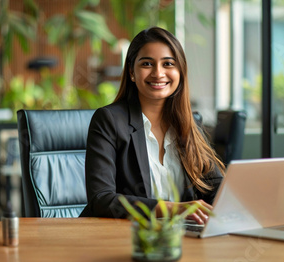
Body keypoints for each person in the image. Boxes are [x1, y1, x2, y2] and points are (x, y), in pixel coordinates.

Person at [80, 27, 224, 224]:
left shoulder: (190, 124)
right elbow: (101, 199)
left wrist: (220, 214)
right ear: (131, 71)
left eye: (168, 64)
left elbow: (216, 186)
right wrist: (174, 209)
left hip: (179, 238)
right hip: (124, 237)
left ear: (180, 71)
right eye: (147, 63)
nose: (158, 73)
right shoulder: (109, 121)